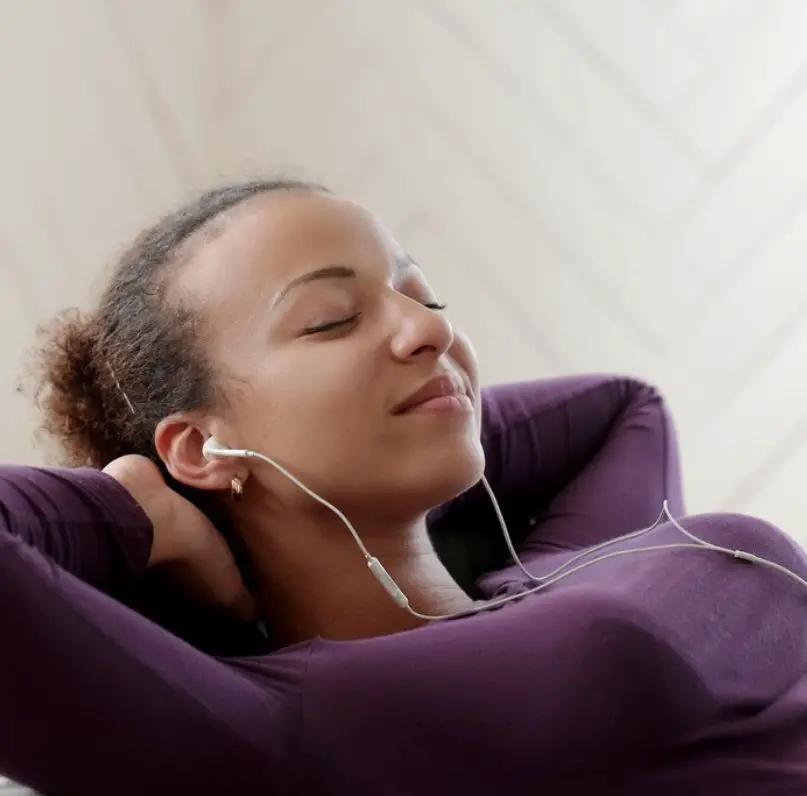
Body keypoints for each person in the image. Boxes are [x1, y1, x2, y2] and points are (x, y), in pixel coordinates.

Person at [1, 179, 806, 796]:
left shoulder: (557, 564)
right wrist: (133, 509)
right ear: (203, 445)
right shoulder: (274, 722)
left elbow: (620, 407)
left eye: (423, 298)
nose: (430, 330)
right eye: (330, 319)